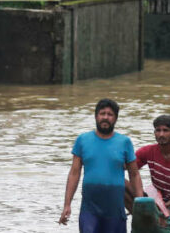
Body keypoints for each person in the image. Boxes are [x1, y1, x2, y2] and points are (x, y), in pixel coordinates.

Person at [59, 99, 143, 232]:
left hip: (115, 210)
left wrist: (140, 205)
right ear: (96, 116)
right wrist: (67, 204)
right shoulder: (82, 140)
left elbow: (134, 174)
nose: (105, 117)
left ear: (115, 118)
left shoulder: (124, 142)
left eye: (110, 114)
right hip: (90, 210)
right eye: (102, 113)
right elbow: (74, 173)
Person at [129, 115, 170, 220]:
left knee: (166, 214)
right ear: (154, 133)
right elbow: (128, 168)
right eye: (158, 130)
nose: (161, 134)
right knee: (124, 185)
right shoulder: (147, 151)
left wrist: (165, 206)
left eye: (165, 130)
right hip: (155, 198)